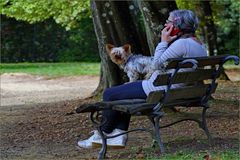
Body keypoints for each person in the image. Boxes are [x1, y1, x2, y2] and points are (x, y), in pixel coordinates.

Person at [77, 9, 207, 149]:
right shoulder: (199, 46)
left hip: (158, 90)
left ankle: (102, 134)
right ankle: (118, 135)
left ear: (177, 26)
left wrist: (163, 41)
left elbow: (156, 64)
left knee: (109, 93)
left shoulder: (181, 44)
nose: (165, 25)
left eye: (168, 22)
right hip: (174, 90)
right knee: (122, 95)